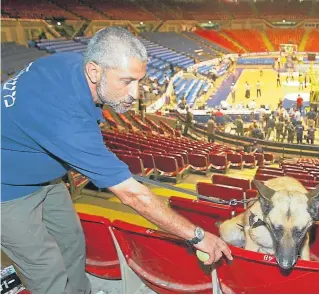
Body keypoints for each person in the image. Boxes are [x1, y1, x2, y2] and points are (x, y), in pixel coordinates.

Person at [0, 27, 232, 294]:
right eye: (126, 81)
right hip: (6, 190)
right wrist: (198, 236)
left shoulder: (67, 64)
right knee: (45, 268)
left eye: (139, 80)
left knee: (72, 241)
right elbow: (134, 196)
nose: (136, 93)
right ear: (94, 72)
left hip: (43, 176)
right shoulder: (67, 123)